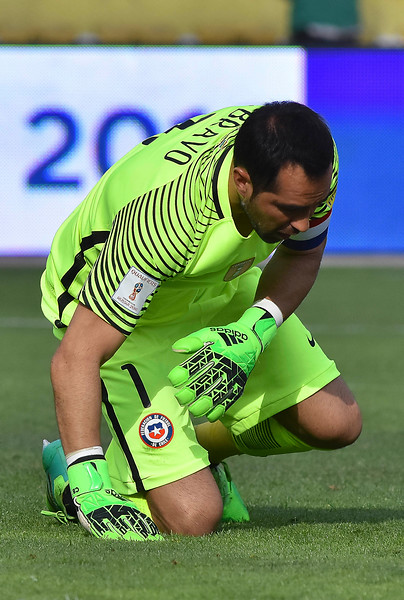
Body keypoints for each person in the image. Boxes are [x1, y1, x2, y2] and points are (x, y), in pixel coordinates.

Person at [39, 101, 362, 540]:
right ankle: (70, 474)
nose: (304, 221)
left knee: (336, 423)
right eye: (288, 209)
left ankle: (195, 451)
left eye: (314, 204)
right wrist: (87, 480)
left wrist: (254, 330)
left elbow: (301, 256)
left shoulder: (310, 168)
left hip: (215, 283)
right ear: (242, 182)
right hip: (129, 314)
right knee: (193, 518)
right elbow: (77, 355)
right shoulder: (166, 222)